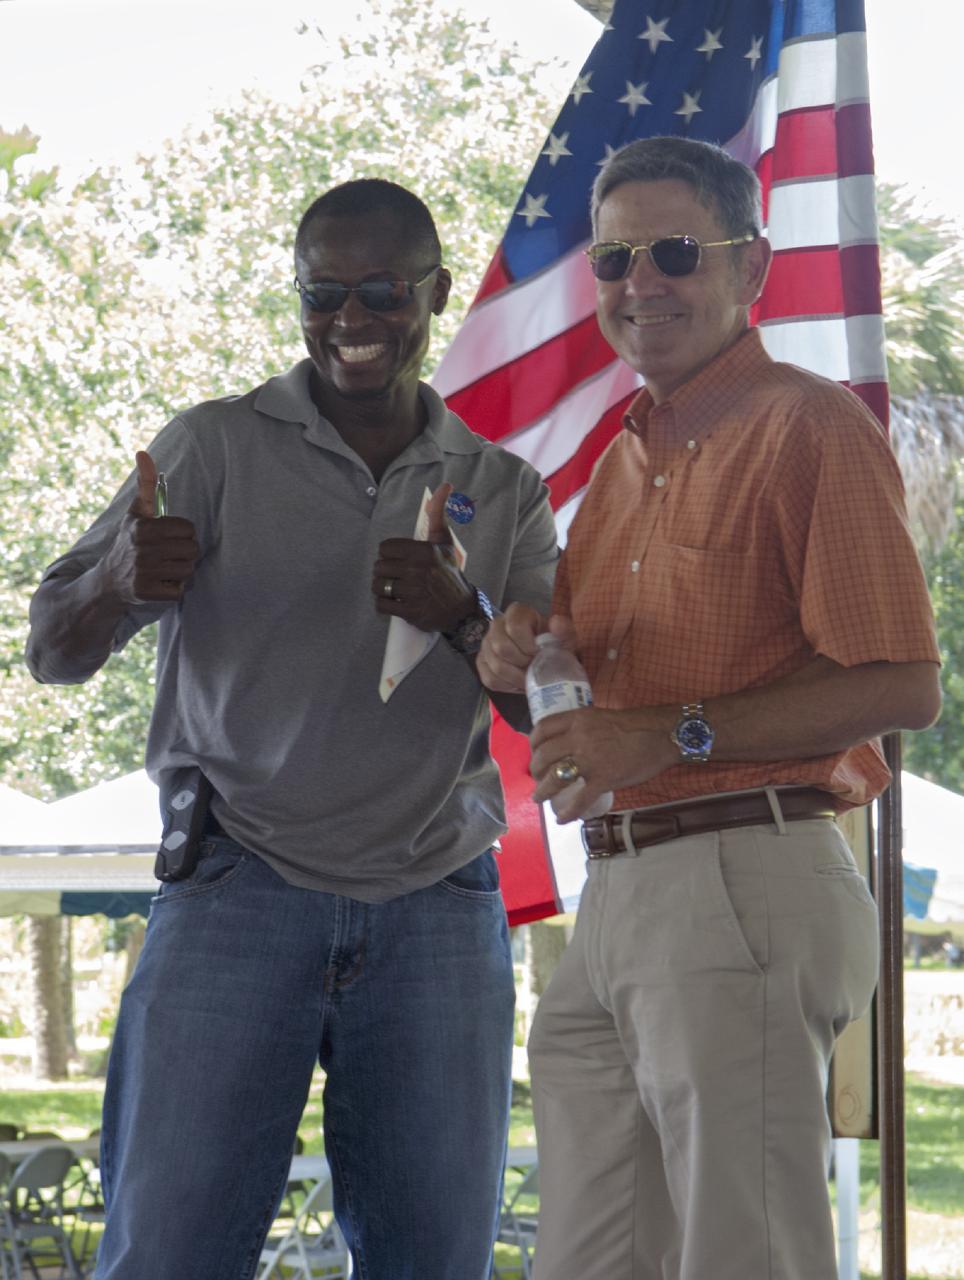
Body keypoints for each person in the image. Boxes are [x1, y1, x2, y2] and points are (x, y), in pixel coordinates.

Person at [25, 178, 558, 1280]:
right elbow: (52, 651)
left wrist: (463, 617)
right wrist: (121, 581)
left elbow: (554, 707)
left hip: (436, 906)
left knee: (434, 1260)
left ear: (434, 295)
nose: (350, 320)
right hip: (235, 888)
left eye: (380, 290)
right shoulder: (212, 447)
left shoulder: (500, 487)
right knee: (167, 1254)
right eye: (324, 291)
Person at [477, 137, 941, 1280]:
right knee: (587, 1261)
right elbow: (587, 697)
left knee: (745, 1255)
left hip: (747, 869)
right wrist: (514, 657)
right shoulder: (618, 468)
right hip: (619, 890)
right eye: (614, 258)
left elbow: (899, 684)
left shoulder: (810, 426)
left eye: (675, 252)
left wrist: (669, 730)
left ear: (753, 269)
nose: (640, 283)